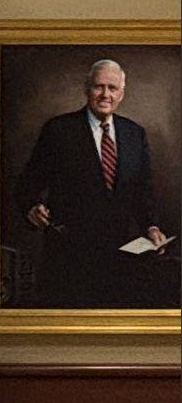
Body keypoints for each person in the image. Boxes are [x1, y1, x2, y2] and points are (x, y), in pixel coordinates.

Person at [14, 59, 168, 307]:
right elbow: (27, 186)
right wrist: (32, 208)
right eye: (99, 87)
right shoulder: (59, 130)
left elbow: (143, 190)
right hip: (69, 259)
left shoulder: (134, 133)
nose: (105, 94)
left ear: (122, 93)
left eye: (112, 88)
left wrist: (151, 226)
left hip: (122, 259)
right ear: (87, 89)